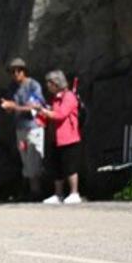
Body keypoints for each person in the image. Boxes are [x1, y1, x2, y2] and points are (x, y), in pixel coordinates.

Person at [0, 57, 46, 200]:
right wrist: (8, 107)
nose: (15, 74)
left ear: (24, 71)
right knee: (25, 159)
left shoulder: (33, 85)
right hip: (20, 128)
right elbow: (12, 107)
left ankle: (37, 191)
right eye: (12, 71)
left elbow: (36, 106)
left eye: (18, 70)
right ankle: (32, 191)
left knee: (35, 158)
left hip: (34, 126)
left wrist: (14, 107)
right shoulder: (12, 87)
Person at [35, 70, 83, 204]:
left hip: (69, 138)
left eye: (49, 83)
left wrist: (45, 111)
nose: (47, 86)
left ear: (56, 83)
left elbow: (61, 114)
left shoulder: (69, 97)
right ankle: (58, 194)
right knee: (56, 167)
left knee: (70, 167)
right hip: (55, 138)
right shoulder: (55, 98)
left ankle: (74, 193)